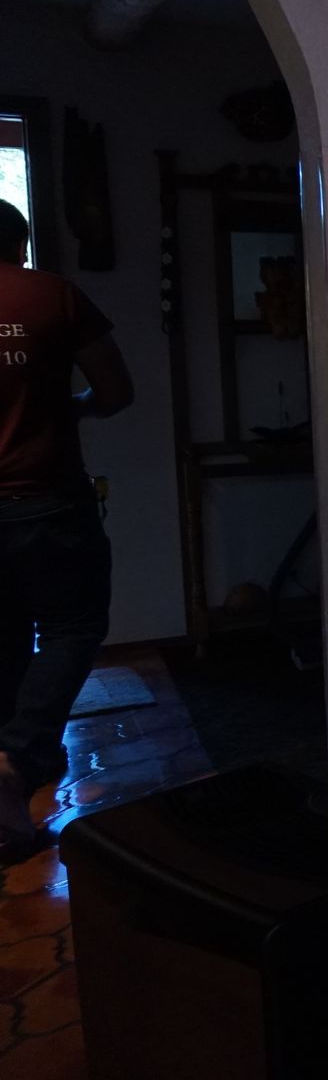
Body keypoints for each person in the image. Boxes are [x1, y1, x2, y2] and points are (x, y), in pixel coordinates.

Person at [0, 201, 132, 863]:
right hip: (45, 500)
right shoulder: (51, 295)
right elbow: (114, 390)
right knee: (72, 627)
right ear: (19, 244)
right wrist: (72, 408)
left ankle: (17, 757)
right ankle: (17, 762)